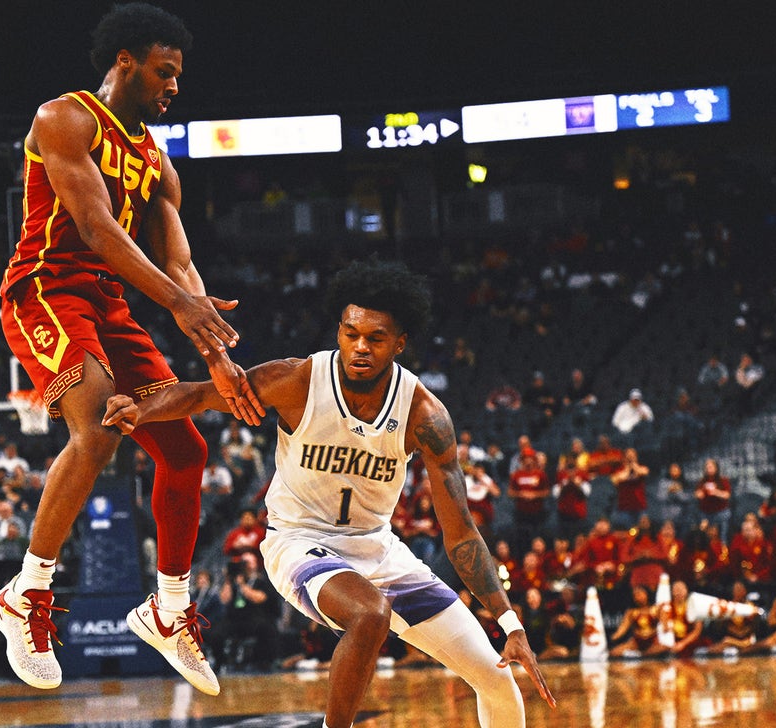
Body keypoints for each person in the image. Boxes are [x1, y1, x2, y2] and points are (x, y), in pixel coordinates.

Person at [104, 259, 554, 727]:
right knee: (370, 615)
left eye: (375, 338)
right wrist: (138, 407)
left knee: (495, 677)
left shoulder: (424, 414)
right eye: (350, 332)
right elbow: (199, 395)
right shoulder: (299, 379)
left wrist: (510, 624)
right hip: (298, 542)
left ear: (399, 344)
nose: (360, 347)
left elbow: (460, 533)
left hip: (378, 550)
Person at [0, 2, 263, 695]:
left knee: (187, 449)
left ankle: (168, 610)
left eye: (178, 75)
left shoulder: (159, 164)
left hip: (110, 304)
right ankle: (26, 591)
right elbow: (96, 226)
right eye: (164, 72)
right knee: (94, 430)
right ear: (125, 62)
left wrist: (218, 358)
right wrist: (179, 304)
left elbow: (182, 266)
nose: (174, 86)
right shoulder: (65, 118)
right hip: (46, 289)